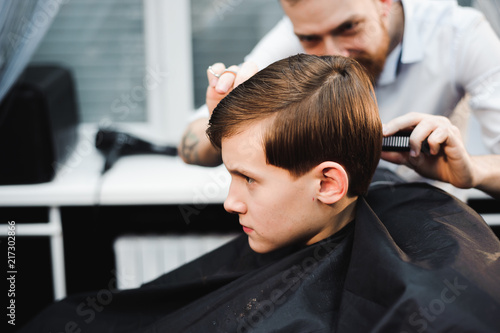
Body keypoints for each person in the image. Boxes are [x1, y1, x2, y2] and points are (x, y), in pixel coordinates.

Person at [20, 54, 500, 333]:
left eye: (248, 178)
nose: (231, 202)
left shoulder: (424, 295)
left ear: (330, 183)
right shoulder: (358, 199)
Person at [178, 0, 500, 199]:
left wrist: (473, 171)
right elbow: (188, 143)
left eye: (348, 28)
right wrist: (224, 125)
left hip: (423, 226)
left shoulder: (461, 36)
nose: (333, 53)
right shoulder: (295, 34)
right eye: (310, 38)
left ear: (384, 3)